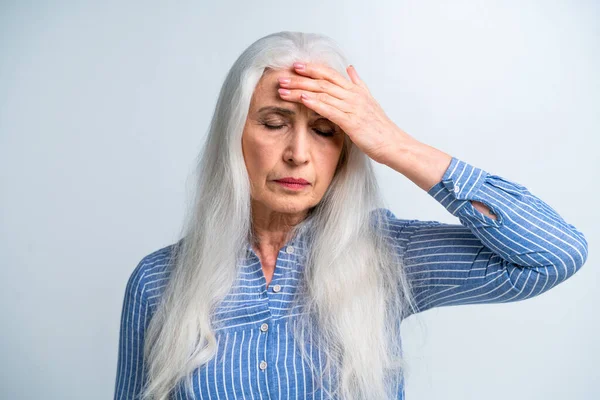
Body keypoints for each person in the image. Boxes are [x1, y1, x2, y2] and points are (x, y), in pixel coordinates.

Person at [114, 31, 588, 400]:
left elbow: (555, 254)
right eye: (275, 123)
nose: (298, 153)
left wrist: (393, 143)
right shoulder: (159, 283)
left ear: (347, 150)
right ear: (234, 136)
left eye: (325, 131)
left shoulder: (386, 257)